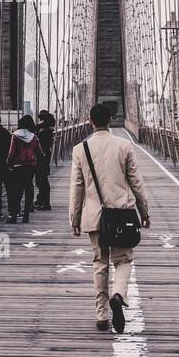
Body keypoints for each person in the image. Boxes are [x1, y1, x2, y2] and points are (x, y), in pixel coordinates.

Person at [69, 103, 150, 334]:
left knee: (100, 263)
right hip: (122, 215)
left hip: (95, 217)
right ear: (111, 120)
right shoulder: (124, 145)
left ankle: (102, 315)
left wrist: (75, 218)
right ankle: (119, 295)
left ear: (90, 121)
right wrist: (144, 212)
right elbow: (136, 183)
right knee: (123, 260)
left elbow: (77, 187)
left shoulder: (80, 149)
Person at [5, 114, 42, 223]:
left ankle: (14, 215)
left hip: (18, 166)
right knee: (29, 188)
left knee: (17, 190)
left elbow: (11, 152)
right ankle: (26, 215)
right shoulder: (34, 137)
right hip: (30, 166)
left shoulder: (15, 136)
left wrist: (8, 163)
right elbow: (39, 152)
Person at [34, 110, 56, 211]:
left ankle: (45, 203)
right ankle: (41, 200)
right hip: (44, 157)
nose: (39, 121)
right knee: (40, 180)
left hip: (42, 158)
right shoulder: (47, 130)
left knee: (42, 181)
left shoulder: (45, 132)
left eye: (41, 119)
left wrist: (37, 127)